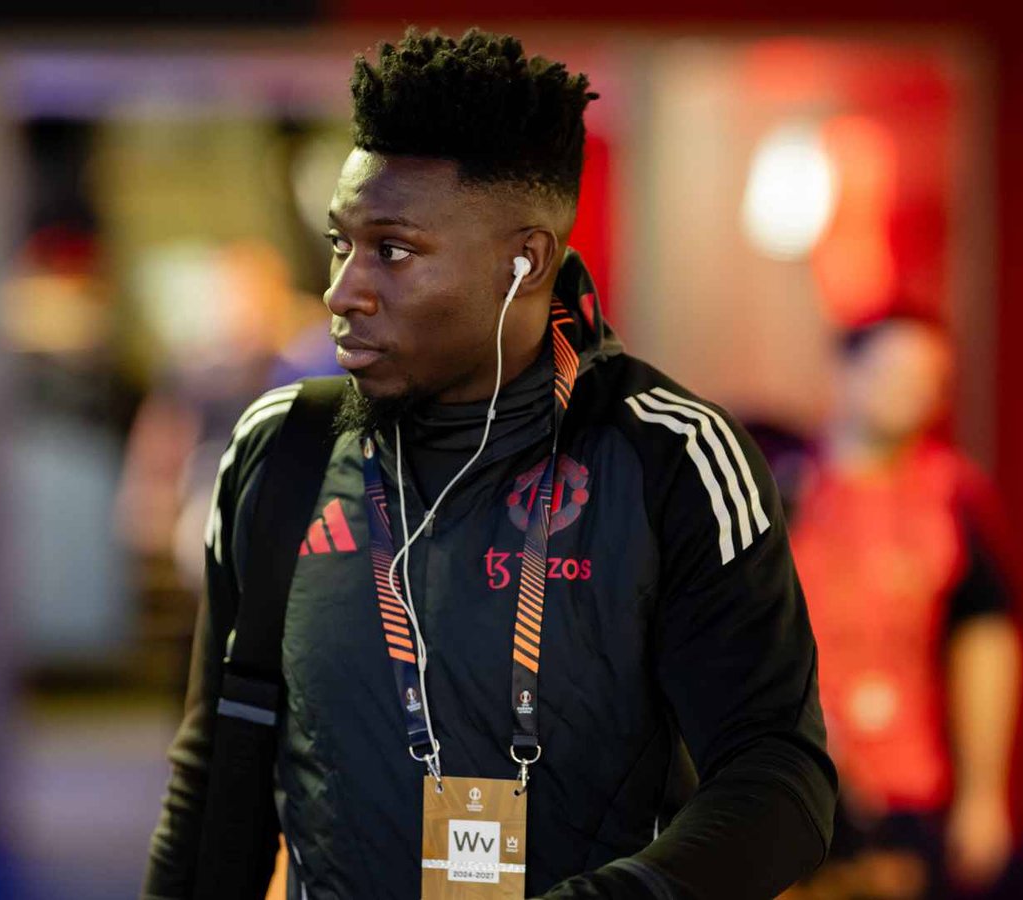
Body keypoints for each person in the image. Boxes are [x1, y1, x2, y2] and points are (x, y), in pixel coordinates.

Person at [143, 28, 835, 899]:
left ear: (526, 261)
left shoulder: (672, 458)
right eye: (339, 243)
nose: (342, 290)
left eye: (392, 250)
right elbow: (216, 773)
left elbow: (781, 782)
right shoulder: (281, 452)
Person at [788, 316, 1021, 899]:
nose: (908, 391)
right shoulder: (779, 484)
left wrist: (984, 793)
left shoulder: (953, 496)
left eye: (927, 380)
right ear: (844, 372)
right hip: (785, 779)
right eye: (892, 371)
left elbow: (985, 640)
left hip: (903, 786)